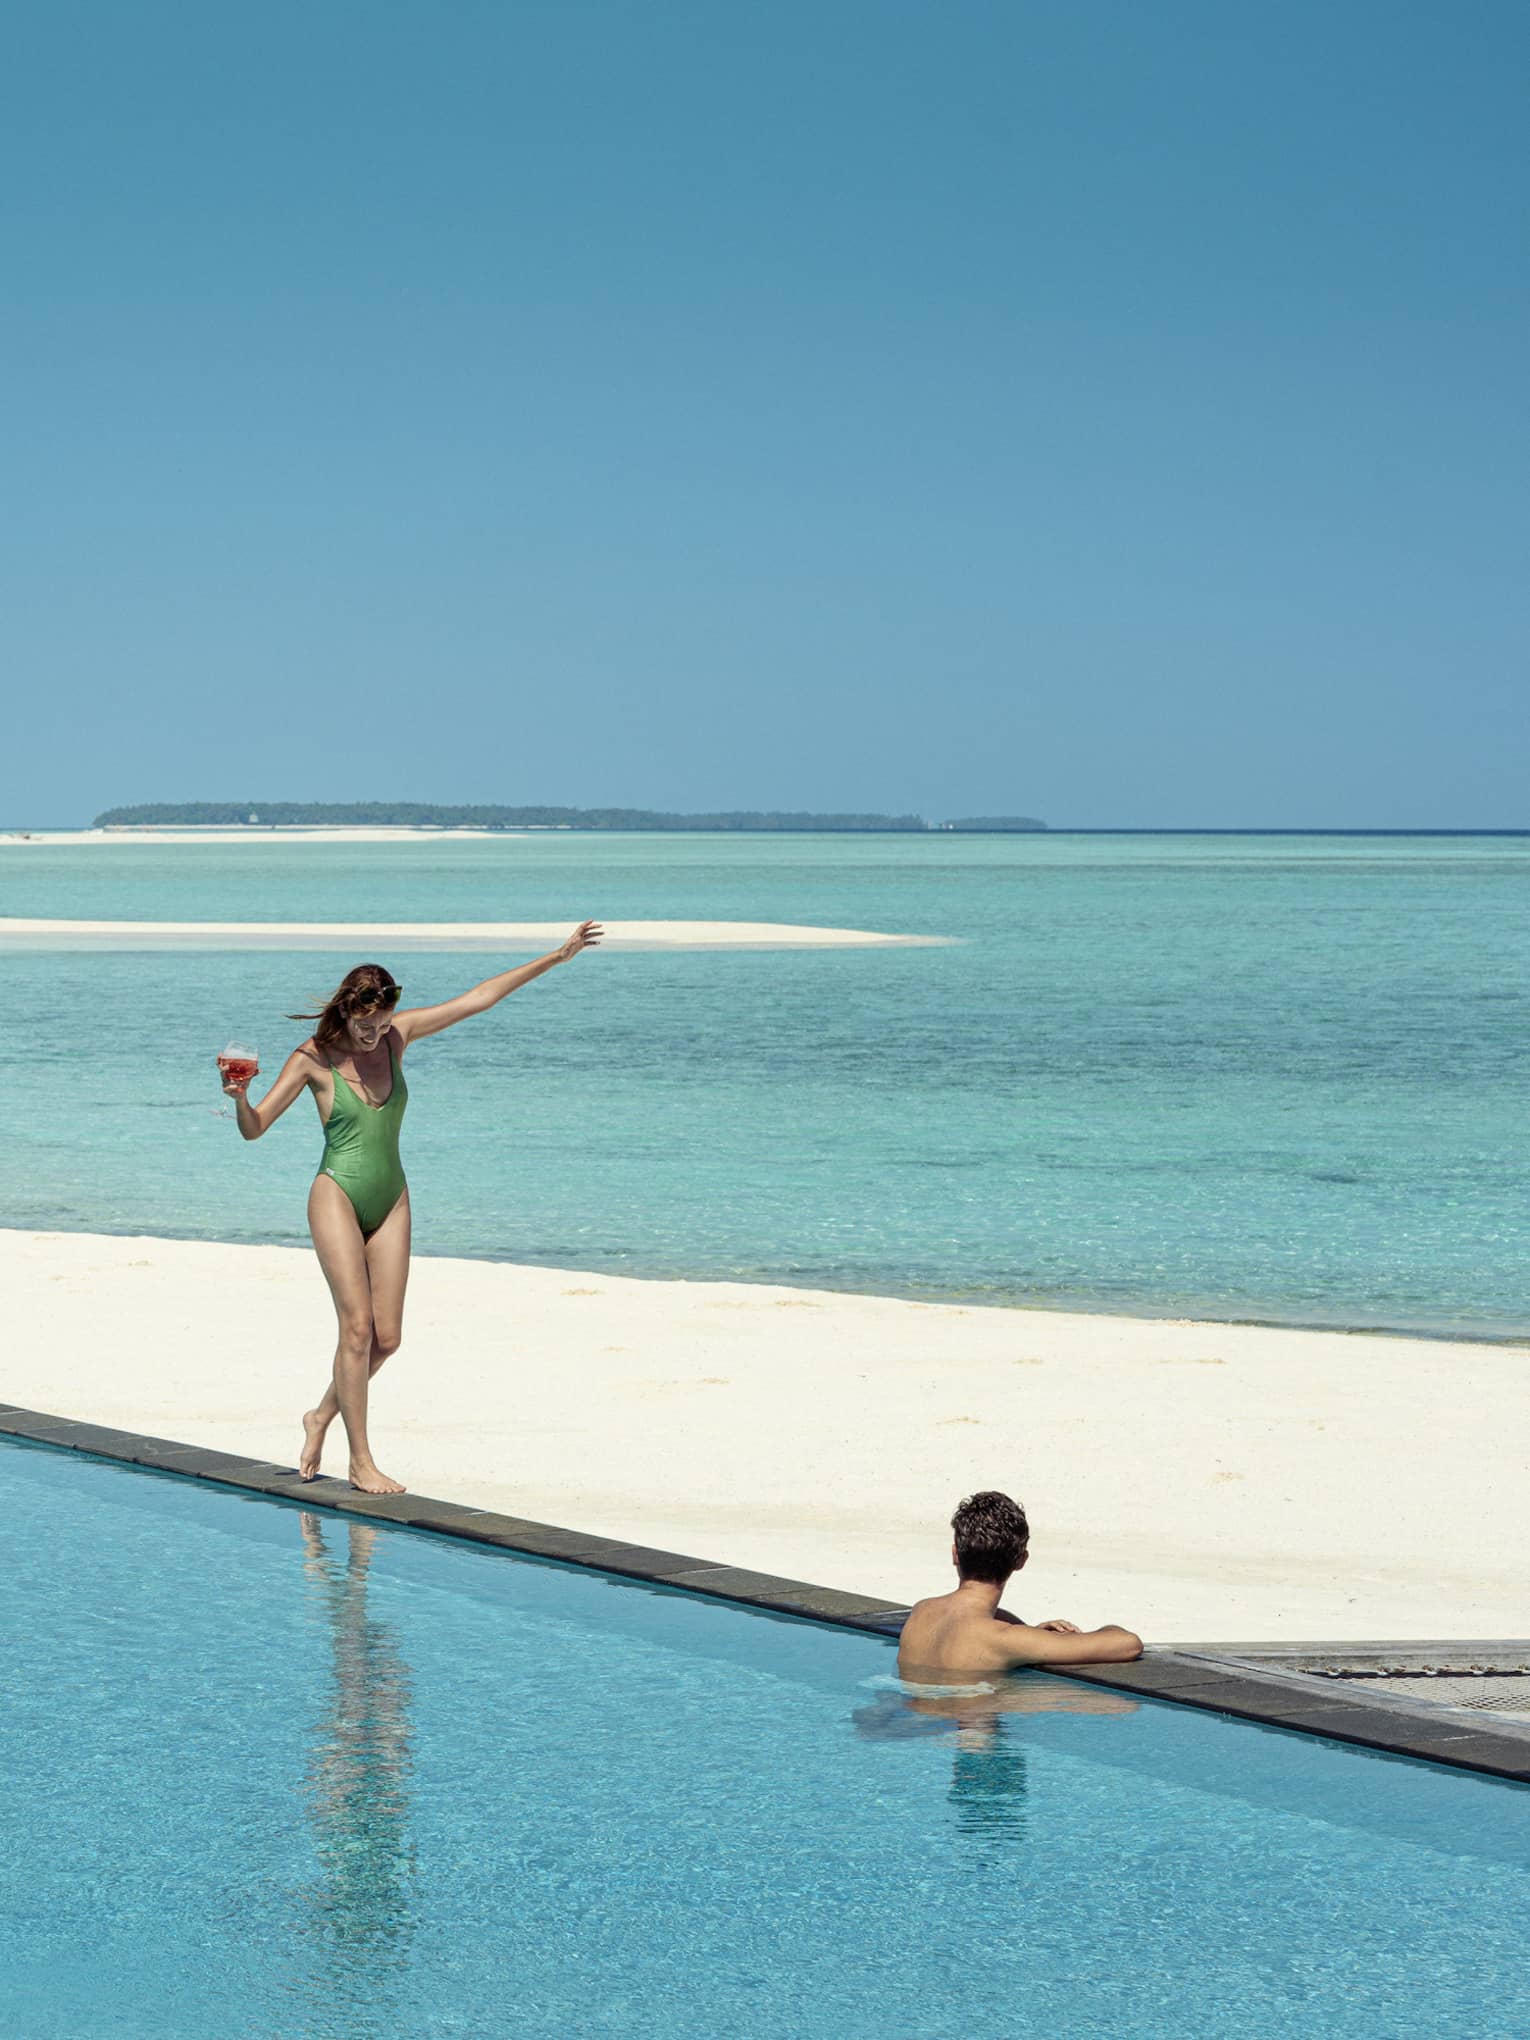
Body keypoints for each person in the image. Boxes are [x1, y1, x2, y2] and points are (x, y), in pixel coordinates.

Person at [219, 923, 602, 1493]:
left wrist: (555, 957)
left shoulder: (398, 1037)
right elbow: (255, 1132)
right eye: (364, 1025)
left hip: (392, 1195)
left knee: (387, 1338)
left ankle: (321, 1414)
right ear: (346, 1013)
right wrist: (240, 1099)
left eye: (381, 1023)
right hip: (337, 1195)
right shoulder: (312, 1058)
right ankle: (359, 1461)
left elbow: (478, 999)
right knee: (355, 1329)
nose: (374, 1035)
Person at [897, 1489, 1142, 1676]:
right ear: (1021, 1561)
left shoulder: (921, 1611)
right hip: (968, 1733)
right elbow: (1129, 1644)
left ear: (955, 1554)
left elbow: (972, 1630)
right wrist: (1105, 1630)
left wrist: (1030, 1633)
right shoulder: (1003, 1638)